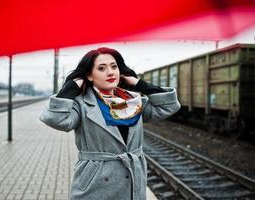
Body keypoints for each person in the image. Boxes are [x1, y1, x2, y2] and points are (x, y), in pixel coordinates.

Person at [39, 47, 181, 200]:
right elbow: (56, 119)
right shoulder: (82, 103)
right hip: (96, 182)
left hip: (132, 179)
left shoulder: (132, 101)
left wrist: (140, 84)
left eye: (114, 66)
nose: (110, 72)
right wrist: (71, 88)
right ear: (90, 75)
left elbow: (168, 106)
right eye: (101, 68)